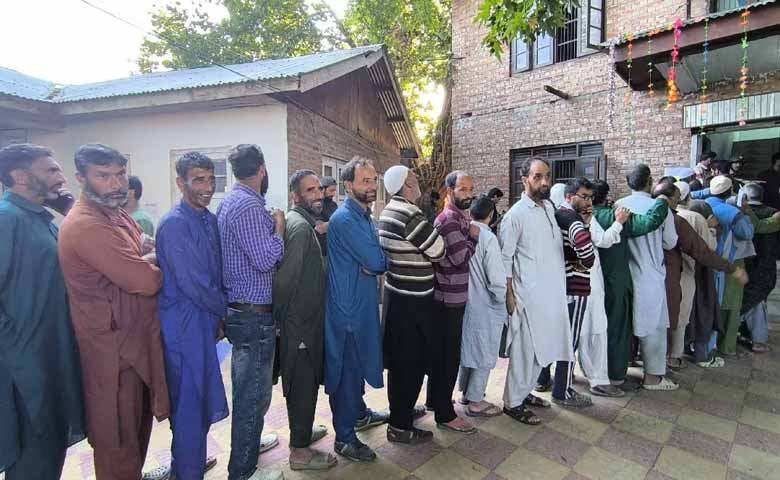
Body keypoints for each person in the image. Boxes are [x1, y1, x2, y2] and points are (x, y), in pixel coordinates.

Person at [59, 143, 170, 480]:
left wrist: (143, 257)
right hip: (112, 354)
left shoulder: (114, 212)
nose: (116, 183)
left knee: (137, 433)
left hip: (133, 346)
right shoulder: (86, 224)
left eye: (120, 174)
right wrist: (151, 262)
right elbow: (146, 281)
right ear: (81, 178)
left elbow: (144, 247)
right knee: (117, 441)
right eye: (103, 176)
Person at [0, 144, 85, 479]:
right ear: (20, 176)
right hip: (25, 369)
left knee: (51, 452)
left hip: (51, 358)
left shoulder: (42, 219)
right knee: (32, 458)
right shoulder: (7, 219)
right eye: (50, 170)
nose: (61, 177)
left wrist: (68, 206)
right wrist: (16, 346)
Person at [154, 152, 229, 479]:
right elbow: (195, 284)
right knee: (188, 407)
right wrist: (231, 312)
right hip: (183, 331)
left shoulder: (208, 219)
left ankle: (186, 465)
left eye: (211, 179)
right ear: (180, 182)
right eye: (199, 179)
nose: (208, 187)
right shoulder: (174, 224)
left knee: (197, 406)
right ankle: (187, 471)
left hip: (203, 325)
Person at [216, 144, 285, 480]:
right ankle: (242, 470)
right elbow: (266, 259)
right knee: (251, 396)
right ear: (261, 169)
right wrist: (279, 228)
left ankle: (250, 445)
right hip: (252, 314)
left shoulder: (232, 201)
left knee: (253, 392)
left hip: (245, 311)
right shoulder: (246, 206)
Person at [325, 156, 389, 462]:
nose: (372, 186)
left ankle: (360, 414)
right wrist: (374, 263)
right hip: (348, 310)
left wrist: (373, 262)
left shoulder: (363, 216)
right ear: (348, 185)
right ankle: (345, 438)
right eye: (365, 180)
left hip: (360, 305)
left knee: (358, 366)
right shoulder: (346, 219)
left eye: (374, 180)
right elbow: (378, 261)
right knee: (347, 373)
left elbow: (374, 259)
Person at [500, 158, 571, 425]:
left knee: (542, 349)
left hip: (551, 295)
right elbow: (505, 259)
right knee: (525, 352)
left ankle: (525, 392)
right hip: (526, 296)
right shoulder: (515, 216)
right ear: (525, 180)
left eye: (547, 176)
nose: (544, 182)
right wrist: (509, 295)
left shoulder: (549, 209)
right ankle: (512, 402)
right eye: (538, 176)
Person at [376, 165, 444, 443]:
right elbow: (438, 250)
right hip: (413, 300)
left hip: (397, 294)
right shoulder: (409, 213)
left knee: (400, 363)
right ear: (405, 186)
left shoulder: (388, 210)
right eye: (414, 179)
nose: (418, 183)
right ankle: (400, 426)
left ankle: (400, 413)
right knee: (412, 363)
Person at [273, 170, 335, 470]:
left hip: (309, 324)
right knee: (301, 385)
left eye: (319, 189)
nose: (318, 195)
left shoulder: (305, 223)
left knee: (308, 385)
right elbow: (285, 282)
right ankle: (298, 451)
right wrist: (284, 322)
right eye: (310, 190)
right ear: (295, 196)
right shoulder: (298, 228)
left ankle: (303, 432)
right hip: (299, 327)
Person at [654, 180, 745, 371]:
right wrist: (732, 268)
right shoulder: (685, 218)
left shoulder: (641, 213)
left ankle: (648, 359)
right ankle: (672, 359)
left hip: (651, 276)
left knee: (656, 319)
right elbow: (704, 250)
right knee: (679, 318)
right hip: (682, 275)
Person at [591, 180, 670, 390]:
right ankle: (615, 375)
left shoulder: (578, 215)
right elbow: (649, 222)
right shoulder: (613, 215)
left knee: (589, 330)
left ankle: (590, 373)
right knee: (616, 329)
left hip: (588, 283)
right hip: (615, 282)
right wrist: (663, 201)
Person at [615, 164, 679, 391]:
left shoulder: (618, 205)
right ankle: (652, 377)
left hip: (623, 274)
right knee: (653, 327)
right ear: (650, 181)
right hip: (649, 274)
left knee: (623, 325)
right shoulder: (659, 207)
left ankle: (620, 370)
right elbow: (670, 242)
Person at [536, 178, 596, 407]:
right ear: (570, 196)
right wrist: (584, 261)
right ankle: (563, 390)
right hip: (576, 286)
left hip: (557, 285)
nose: (588, 201)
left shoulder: (556, 214)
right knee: (569, 340)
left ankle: (542, 379)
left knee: (553, 335)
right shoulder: (573, 220)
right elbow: (587, 253)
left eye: (590, 197)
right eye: (584, 196)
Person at [430, 170, 480, 434]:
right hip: (448, 299)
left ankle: (436, 402)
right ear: (449, 191)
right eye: (462, 189)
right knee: (448, 358)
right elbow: (461, 257)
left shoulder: (459, 217)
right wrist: (474, 235)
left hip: (452, 296)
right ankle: (445, 413)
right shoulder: (449, 219)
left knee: (444, 355)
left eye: (470, 189)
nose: (468, 194)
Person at [458, 195, 506, 417]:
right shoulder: (487, 237)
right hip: (484, 303)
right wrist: (502, 300)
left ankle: (466, 393)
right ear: (491, 215)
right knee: (483, 353)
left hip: (463, 301)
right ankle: (476, 402)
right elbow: (496, 278)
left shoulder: (464, 230)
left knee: (468, 350)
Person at [704, 176, 755, 358]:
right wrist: (744, 211)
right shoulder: (732, 212)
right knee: (723, 306)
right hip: (724, 265)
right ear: (730, 192)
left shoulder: (702, 204)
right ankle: (715, 349)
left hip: (701, 261)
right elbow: (747, 233)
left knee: (704, 304)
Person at [740, 182, 780, 353]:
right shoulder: (774, 215)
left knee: (744, 302)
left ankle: (742, 334)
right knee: (757, 302)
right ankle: (757, 340)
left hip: (742, 266)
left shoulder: (740, 213)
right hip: (766, 267)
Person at [313, 176, 338, 256]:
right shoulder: (317, 205)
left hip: (333, 249)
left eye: (334, 191)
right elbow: (320, 228)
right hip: (320, 251)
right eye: (331, 190)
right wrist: (340, 221)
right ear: (323, 189)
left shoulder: (334, 205)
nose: (333, 194)